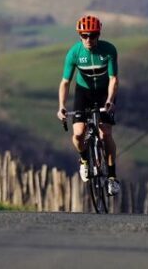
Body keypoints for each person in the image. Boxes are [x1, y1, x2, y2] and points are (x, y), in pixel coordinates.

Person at [56, 15, 121, 196]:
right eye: (84, 36)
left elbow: (113, 79)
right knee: (78, 134)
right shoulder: (74, 53)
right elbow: (65, 82)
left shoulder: (108, 50)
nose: (88, 39)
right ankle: (84, 159)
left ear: (98, 35)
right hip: (83, 92)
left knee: (105, 132)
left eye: (92, 35)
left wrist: (109, 100)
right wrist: (61, 105)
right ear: (79, 36)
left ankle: (112, 177)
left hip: (104, 93)